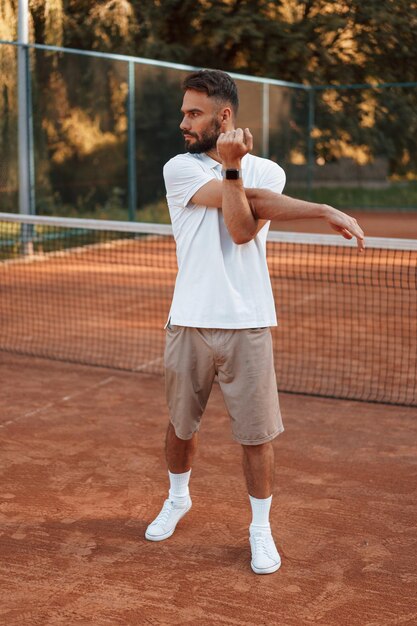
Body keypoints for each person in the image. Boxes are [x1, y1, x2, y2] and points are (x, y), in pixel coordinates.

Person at [145, 69, 365, 575]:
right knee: (181, 426)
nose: (184, 121)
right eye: (184, 111)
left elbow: (245, 224)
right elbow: (238, 216)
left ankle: (260, 530)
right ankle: (178, 498)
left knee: (257, 436)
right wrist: (319, 209)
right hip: (189, 321)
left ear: (224, 116)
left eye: (194, 112)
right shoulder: (179, 168)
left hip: (249, 322)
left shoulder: (268, 171)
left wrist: (235, 170)